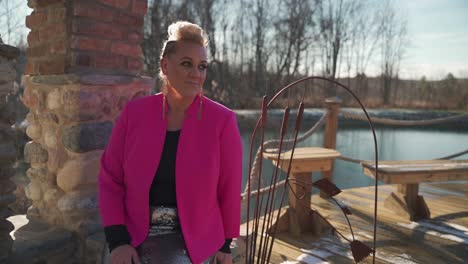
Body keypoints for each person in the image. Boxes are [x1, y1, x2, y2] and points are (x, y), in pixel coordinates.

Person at [98, 21, 243, 264]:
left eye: (202, 66)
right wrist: (118, 240)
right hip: (134, 233)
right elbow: (110, 178)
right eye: (187, 64)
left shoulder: (223, 121)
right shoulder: (134, 114)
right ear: (165, 65)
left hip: (195, 239)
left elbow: (229, 187)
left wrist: (226, 245)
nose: (196, 74)